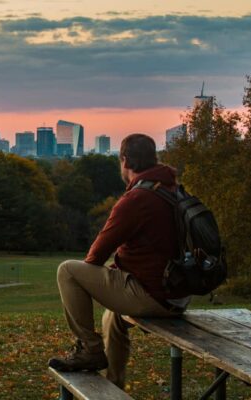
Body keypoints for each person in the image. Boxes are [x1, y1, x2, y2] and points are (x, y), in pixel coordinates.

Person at [48, 133, 191, 389]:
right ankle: (114, 385)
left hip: (153, 295)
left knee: (67, 271)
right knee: (112, 317)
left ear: (125, 161)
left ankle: (89, 350)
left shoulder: (136, 199)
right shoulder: (172, 189)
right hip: (177, 294)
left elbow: (95, 256)